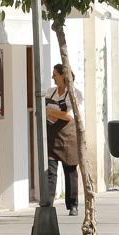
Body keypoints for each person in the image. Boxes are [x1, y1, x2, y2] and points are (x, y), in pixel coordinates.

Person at [45, 63, 81, 216]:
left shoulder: (74, 94)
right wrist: (57, 113)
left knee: (70, 171)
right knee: (51, 172)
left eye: (55, 74)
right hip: (52, 135)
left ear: (62, 75)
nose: (52, 77)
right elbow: (44, 111)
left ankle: (73, 205)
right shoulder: (50, 92)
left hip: (68, 137)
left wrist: (53, 112)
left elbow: (68, 116)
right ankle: (48, 203)